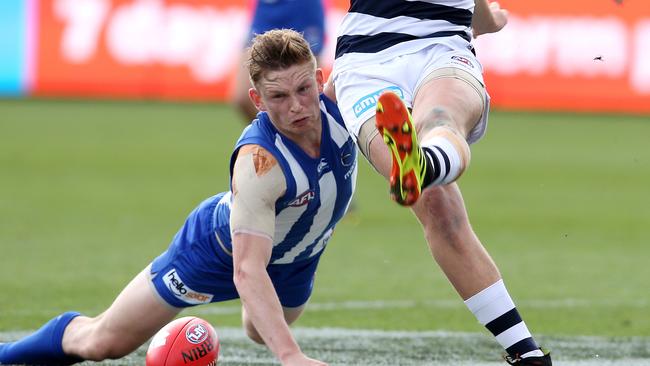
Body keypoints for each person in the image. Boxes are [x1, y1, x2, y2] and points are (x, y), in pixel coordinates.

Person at [0, 29, 356, 366]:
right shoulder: (258, 166)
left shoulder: (346, 104)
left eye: (304, 89)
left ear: (321, 80)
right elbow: (247, 270)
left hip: (298, 257)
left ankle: (261, 306)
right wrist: (291, 356)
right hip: (216, 251)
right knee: (102, 343)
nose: (296, 106)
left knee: (260, 330)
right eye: (279, 96)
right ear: (257, 101)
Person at [325, 1, 552, 365]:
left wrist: (490, 19)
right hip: (366, 63)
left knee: (439, 123)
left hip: (441, 46)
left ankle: (423, 164)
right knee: (437, 204)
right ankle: (528, 354)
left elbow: (477, 13)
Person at [231, 0, 326, 122]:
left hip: (302, 8)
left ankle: (318, 137)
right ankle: (277, 137)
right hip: (266, 9)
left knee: (308, 89)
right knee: (242, 97)